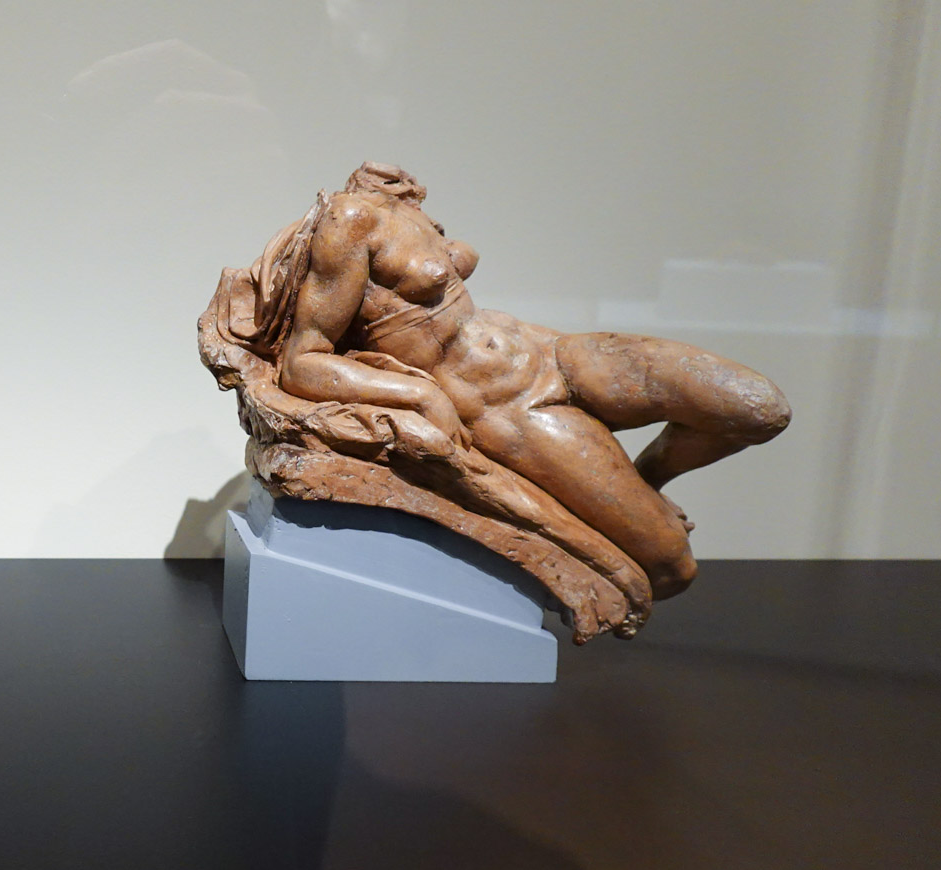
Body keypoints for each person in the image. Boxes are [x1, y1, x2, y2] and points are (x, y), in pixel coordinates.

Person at [264, 162, 789, 599]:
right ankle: (634, 506)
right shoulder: (351, 220)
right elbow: (303, 362)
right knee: (672, 568)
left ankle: (647, 479)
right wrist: (419, 393)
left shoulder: (407, 209)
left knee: (759, 409)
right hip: (510, 412)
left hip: (553, 351)